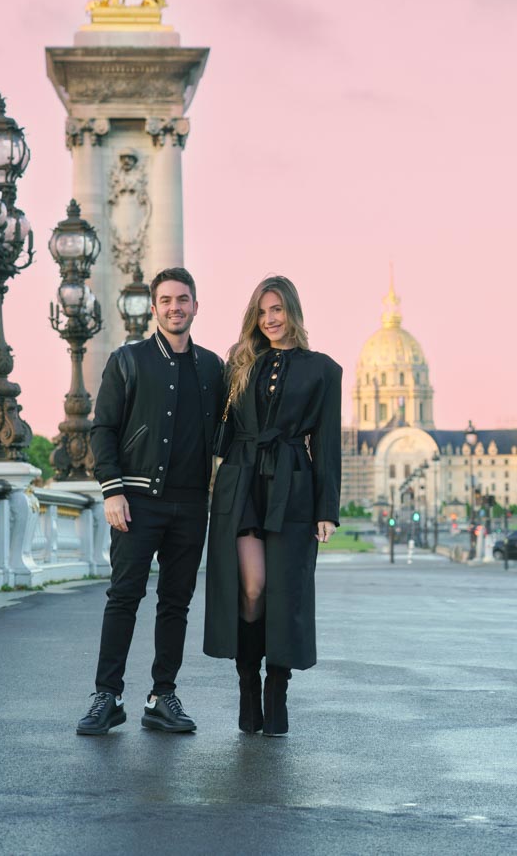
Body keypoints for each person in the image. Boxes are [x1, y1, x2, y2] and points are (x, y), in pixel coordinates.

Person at [76, 267, 224, 736]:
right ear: (156, 308)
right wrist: (112, 489)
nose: (175, 307)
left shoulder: (213, 367)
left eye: (183, 299)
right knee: (124, 597)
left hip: (191, 504)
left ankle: (162, 696)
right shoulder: (128, 360)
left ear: (196, 306)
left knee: (176, 603)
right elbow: (103, 429)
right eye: (166, 300)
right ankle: (107, 695)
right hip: (136, 501)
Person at [204, 276, 341, 737]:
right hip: (241, 483)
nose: (270, 319)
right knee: (252, 587)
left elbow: (327, 444)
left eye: (277, 309)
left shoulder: (324, 370)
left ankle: (276, 692)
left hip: (292, 486)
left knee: (284, 594)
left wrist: (327, 508)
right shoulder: (240, 362)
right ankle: (248, 685)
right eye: (262, 312)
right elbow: (216, 427)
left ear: (292, 311)